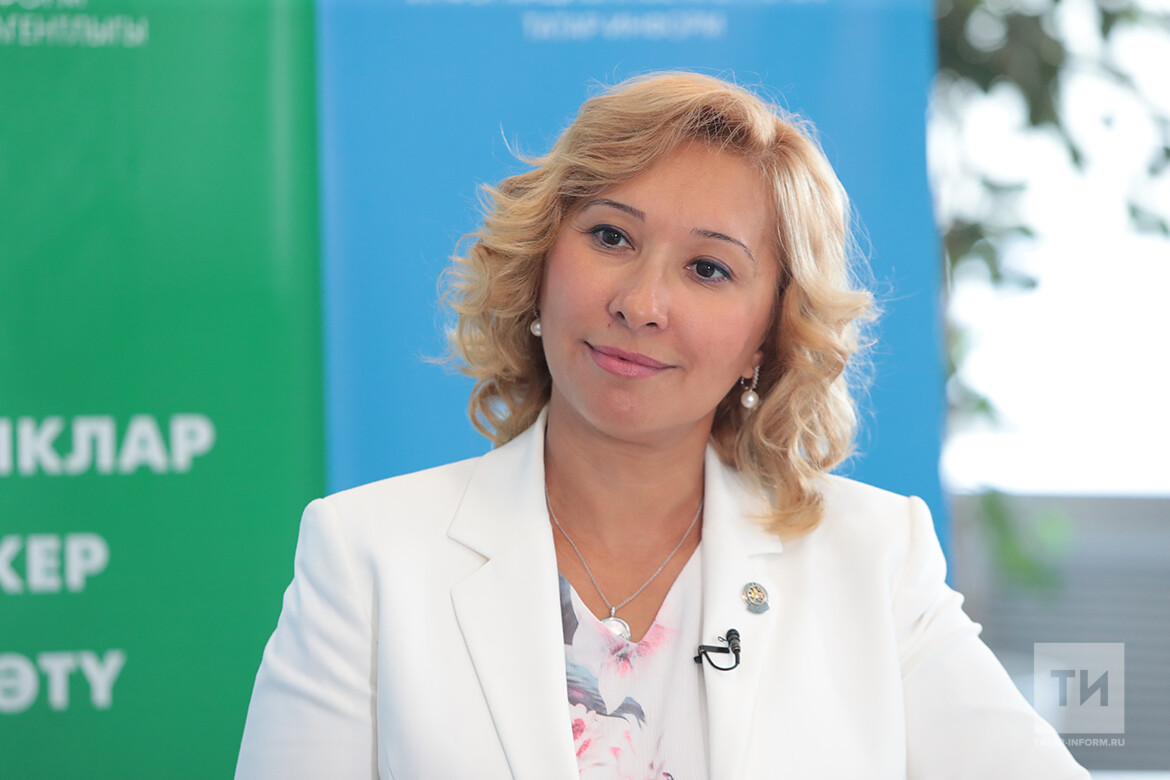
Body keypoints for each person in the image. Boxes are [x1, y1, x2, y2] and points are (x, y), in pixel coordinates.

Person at [235, 72, 1088, 779]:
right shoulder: (367, 555)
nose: (641, 304)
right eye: (611, 236)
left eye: (709, 269)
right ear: (541, 263)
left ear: (769, 334)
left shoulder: (874, 557)